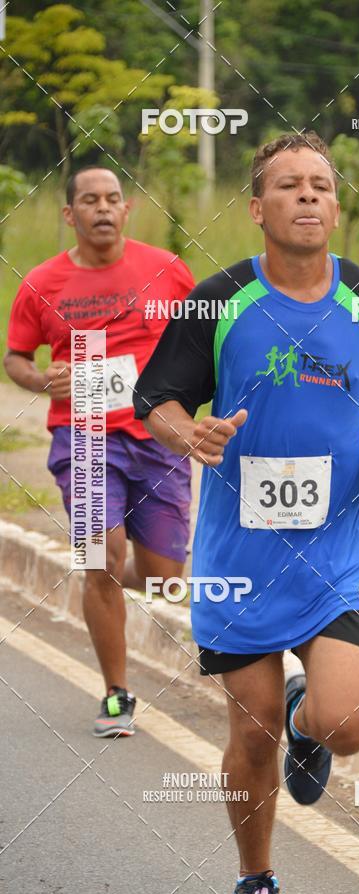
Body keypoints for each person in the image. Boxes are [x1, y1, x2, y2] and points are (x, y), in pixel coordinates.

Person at [133, 132, 359, 894]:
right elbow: (155, 398)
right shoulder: (220, 300)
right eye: (289, 185)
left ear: (336, 202)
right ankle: (256, 878)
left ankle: (306, 721)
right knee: (248, 735)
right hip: (239, 555)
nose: (309, 195)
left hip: (340, 548)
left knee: (346, 726)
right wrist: (191, 434)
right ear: (259, 207)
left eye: (321, 184)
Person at [4, 166, 196, 738]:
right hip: (83, 433)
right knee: (101, 557)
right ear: (71, 215)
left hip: (157, 435)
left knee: (165, 579)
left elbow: (205, 335)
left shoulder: (165, 269)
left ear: (127, 207)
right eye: (90, 200)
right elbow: (15, 357)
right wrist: (42, 380)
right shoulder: (42, 281)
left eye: (113, 199)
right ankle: (117, 692)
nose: (103, 209)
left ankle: (110, 579)